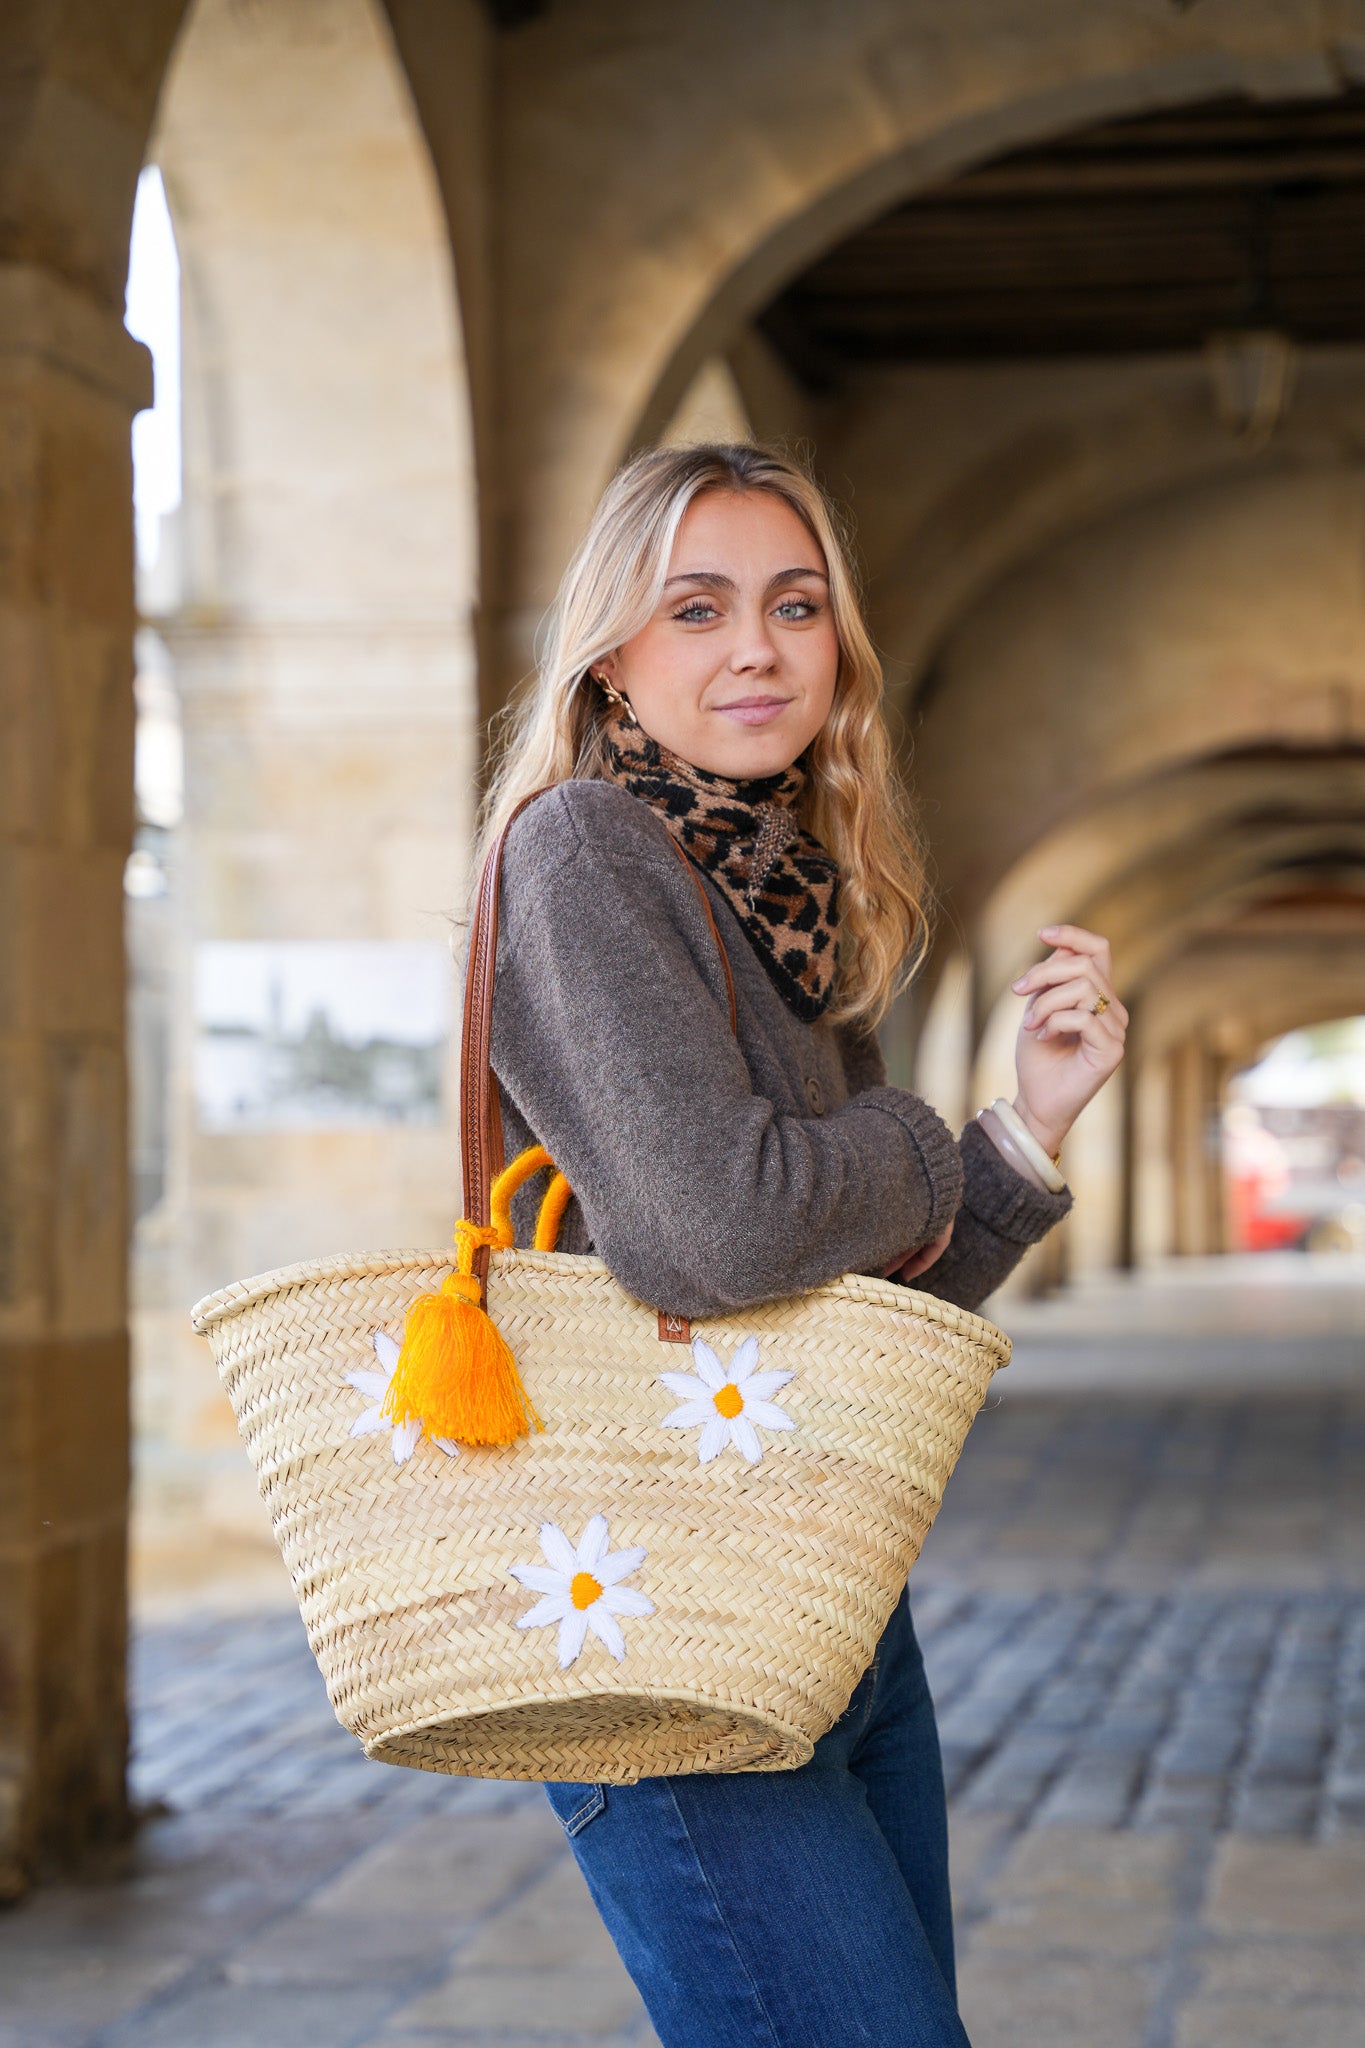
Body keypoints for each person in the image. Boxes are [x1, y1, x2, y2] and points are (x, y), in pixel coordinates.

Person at [477, 443, 1127, 2048]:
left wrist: (1023, 1128)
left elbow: (845, 1303)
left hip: (825, 1592)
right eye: (694, 609)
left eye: (795, 604)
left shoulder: (774, 884)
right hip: (661, 1617)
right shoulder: (588, 853)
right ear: (613, 657)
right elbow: (717, 1234)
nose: (755, 647)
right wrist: (919, 1138)